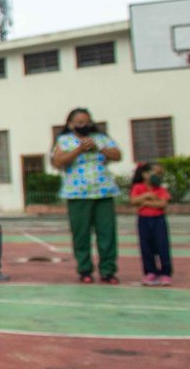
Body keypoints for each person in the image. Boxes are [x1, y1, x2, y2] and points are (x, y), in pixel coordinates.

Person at [51, 108, 122, 284]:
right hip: (78, 194)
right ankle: (85, 270)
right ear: (71, 124)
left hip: (103, 192)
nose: (84, 125)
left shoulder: (101, 139)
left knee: (107, 233)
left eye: (87, 122)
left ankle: (108, 270)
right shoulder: (64, 140)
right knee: (81, 234)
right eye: (80, 123)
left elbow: (118, 155)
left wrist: (98, 147)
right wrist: (79, 150)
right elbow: (58, 162)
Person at [130, 162, 172, 286]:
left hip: (158, 220)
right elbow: (133, 201)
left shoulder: (161, 189)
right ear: (145, 174)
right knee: (146, 247)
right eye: (155, 173)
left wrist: (145, 203)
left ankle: (165, 273)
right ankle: (150, 272)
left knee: (162, 246)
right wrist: (147, 196)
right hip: (143, 220)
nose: (158, 176)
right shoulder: (138, 187)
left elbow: (162, 204)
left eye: (160, 174)